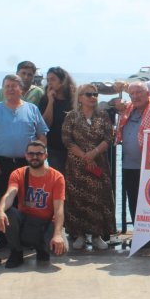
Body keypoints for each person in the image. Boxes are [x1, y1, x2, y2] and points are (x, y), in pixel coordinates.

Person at [0, 74, 48, 250]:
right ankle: (3, 238)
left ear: (21, 89)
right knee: (2, 200)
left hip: (27, 164)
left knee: (27, 201)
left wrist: (39, 157)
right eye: (7, 86)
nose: (10, 89)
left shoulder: (32, 109)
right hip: (1, 164)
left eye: (13, 86)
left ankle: (26, 237)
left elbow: (42, 133)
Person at [0, 140, 68, 268]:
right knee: (8, 212)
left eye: (39, 154)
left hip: (46, 223)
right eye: (31, 154)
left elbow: (59, 209)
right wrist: (0, 210)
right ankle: (16, 251)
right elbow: (10, 194)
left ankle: (42, 248)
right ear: (26, 156)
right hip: (27, 221)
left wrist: (57, 234)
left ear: (45, 156)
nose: (34, 157)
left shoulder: (57, 177)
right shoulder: (18, 174)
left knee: (61, 251)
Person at [61, 83, 115, 251]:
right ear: (80, 97)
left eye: (95, 94)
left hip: (98, 164)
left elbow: (108, 137)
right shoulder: (71, 116)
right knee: (77, 199)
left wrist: (94, 153)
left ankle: (97, 235)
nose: (93, 97)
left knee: (99, 198)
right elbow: (67, 139)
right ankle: (79, 235)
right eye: (88, 94)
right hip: (77, 166)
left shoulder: (103, 115)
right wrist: (84, 156)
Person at [116, 81, 150, 228]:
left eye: (139, 92)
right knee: (132, 200)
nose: (135, 96)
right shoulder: (129, 109)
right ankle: (138, 233)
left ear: (147, 94)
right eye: (132, 93)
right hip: (128, 165)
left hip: (149, 168)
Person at [39, 66, 76, 174]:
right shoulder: (45, 99)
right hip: (54, 148)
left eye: (53, 79)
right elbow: (45, 124)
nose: (50, 83)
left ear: (62, 81)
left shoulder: (73, 99)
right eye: (48, 79)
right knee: (58, 178)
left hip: (74, 148)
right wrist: (50, 101)